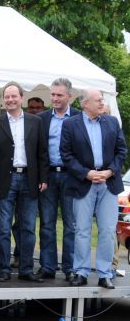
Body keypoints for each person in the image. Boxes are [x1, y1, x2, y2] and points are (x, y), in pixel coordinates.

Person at [63, 88, 126, 289]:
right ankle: (80, 272)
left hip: (108, 183)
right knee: (82, 230)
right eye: (98, 100)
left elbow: (121, 151)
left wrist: (109, 172)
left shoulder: (112, 122)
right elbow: (66, 155)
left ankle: (104, 273)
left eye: (102, 100)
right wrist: (86, 173)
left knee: (107, 231)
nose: (101, 103)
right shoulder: (70, 124)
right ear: (85, 103)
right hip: (84, 182)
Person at [0, 82, 48, 283]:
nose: (11, 100)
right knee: (3, 228)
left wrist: (43, 178)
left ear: (21, 98)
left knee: (28, 227)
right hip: (5, 180)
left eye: (14, 96)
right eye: (7, 97)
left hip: (30, 180)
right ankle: (4, 269)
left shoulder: (35, 121)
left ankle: (26, 269)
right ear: (4, 100)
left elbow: (42, 153)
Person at [36, 78, 80, 281]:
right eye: (52, 94)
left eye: (59, 95)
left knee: (71, 224)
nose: (54, 98)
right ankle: (48, 266)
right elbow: (38, 150)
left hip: (72, 176)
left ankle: (70, 268)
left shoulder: (80, 118)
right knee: (46, 223)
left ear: (69, 96)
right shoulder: (42, 118)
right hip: (49, 176)